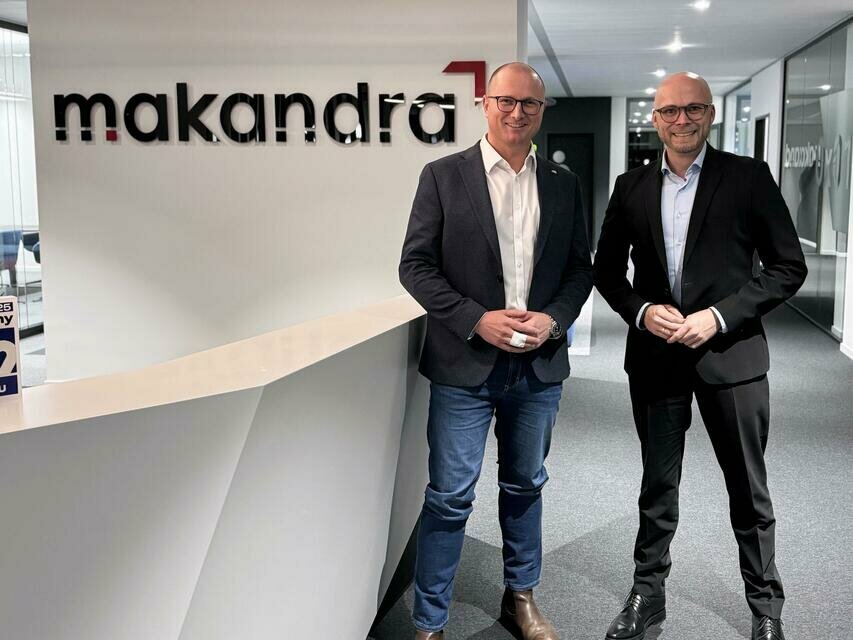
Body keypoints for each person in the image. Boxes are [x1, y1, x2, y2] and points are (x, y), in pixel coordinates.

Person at [593, 72, 806, 640]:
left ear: (710, 115)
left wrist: (718, 317)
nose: (681, 120)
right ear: (654, 118)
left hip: (731, 357)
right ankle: (648, 594)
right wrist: (641, 311)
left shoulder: (749, 178)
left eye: (692, 110)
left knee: (747, 488)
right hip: (656, 357)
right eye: (669, 111)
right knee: (657, 486)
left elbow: (788, 267)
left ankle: (766, 609)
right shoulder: (631, 186)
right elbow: (607, 272)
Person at [399, 62, 593, 640]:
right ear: (485, 103)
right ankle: (430, 622)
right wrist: (474, 319)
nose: (516, 113)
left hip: (536, 370)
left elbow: (580, 270)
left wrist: (554, 321)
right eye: (505, 101)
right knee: (450, 496)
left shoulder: (563, 184)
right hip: (464, 369)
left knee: (525, 485)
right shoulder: (442, 175)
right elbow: (414, 267)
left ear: (542, 110)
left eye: (529, 103)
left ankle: (521, 597)